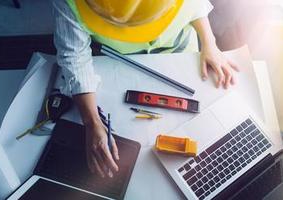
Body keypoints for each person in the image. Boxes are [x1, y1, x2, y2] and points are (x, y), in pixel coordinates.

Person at [53, 0, 238, 178]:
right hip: (123, 60)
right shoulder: (69, 3)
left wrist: (210, 44)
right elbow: (74, 56)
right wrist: (92, 122)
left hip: (181, 50)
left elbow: (195, 4)